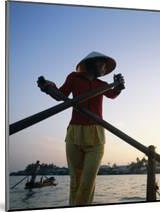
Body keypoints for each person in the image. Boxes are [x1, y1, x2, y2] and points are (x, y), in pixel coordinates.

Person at [38, 51, 125, 206]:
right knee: (75, 182)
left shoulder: (102, 85)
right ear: (92, 64)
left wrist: (119, 86)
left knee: (87, 182)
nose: (104, 68)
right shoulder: (74, 78)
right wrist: (48, 87)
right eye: (102, 64)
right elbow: (60, 95)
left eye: (106, 65)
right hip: (74, 134)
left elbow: (113, 94)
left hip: (96, 135)